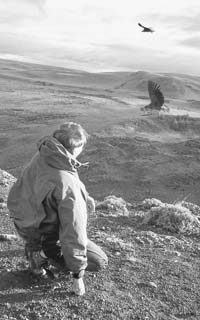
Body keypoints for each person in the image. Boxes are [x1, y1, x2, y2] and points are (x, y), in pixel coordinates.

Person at [7, 122, 108, 296]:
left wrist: (85, 196)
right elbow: (73, 233)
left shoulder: (46, 154)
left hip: (22, 218)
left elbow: (48, 185)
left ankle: (36, 248)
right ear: (76, 148)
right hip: (39, 230)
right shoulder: (68, 184)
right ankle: (40, 254)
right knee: (99, 261)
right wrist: (78, 275)